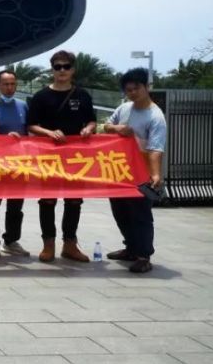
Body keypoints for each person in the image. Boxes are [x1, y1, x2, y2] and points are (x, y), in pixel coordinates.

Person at [26, 50, 96, 263]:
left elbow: (92, 121)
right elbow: (30, 125)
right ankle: (48, 244)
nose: (62, 71)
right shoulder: (41, 96)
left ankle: (70, 244)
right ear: (52, 70)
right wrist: (48, 132)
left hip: (76, 157)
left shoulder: (82, 95)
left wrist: (89, 129)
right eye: (58, 67)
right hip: (48, 156)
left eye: (66, 67)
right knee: (47, 201)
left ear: (73, 70)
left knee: (74, 201)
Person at [103, 67, 166, 274]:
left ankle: (143, 256)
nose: (132, 93)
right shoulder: (124, 108)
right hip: (120, 170)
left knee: (140, 215)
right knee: (120, 211)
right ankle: (130, 247)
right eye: (128, 90)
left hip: (141, 173)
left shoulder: (155, 116)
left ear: (146, 87)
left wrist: (155, 175)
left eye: (136, 88)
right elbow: (106, 126)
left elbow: (156, 149)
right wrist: (118, 129)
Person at [0, 69, 31, 258]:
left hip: (19, 163)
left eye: (13, 84)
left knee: (16, 205)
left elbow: (29, 130)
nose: (9, 88)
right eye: (5, 84)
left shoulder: (23, 106)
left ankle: (11, 240)